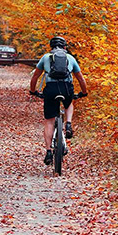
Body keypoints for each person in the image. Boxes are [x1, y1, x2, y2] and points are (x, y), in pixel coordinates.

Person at [28, 35, 88, 166]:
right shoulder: (70, 58)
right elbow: (80, 78)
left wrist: (33, 91)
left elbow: (35, 77)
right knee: (69, 103)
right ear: (65, 47)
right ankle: (68, 123)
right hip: (67, 88)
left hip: (51, 89)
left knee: (49, 121)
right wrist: (84, 92)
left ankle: (49, 151)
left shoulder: (46, 58)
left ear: (51, 47)